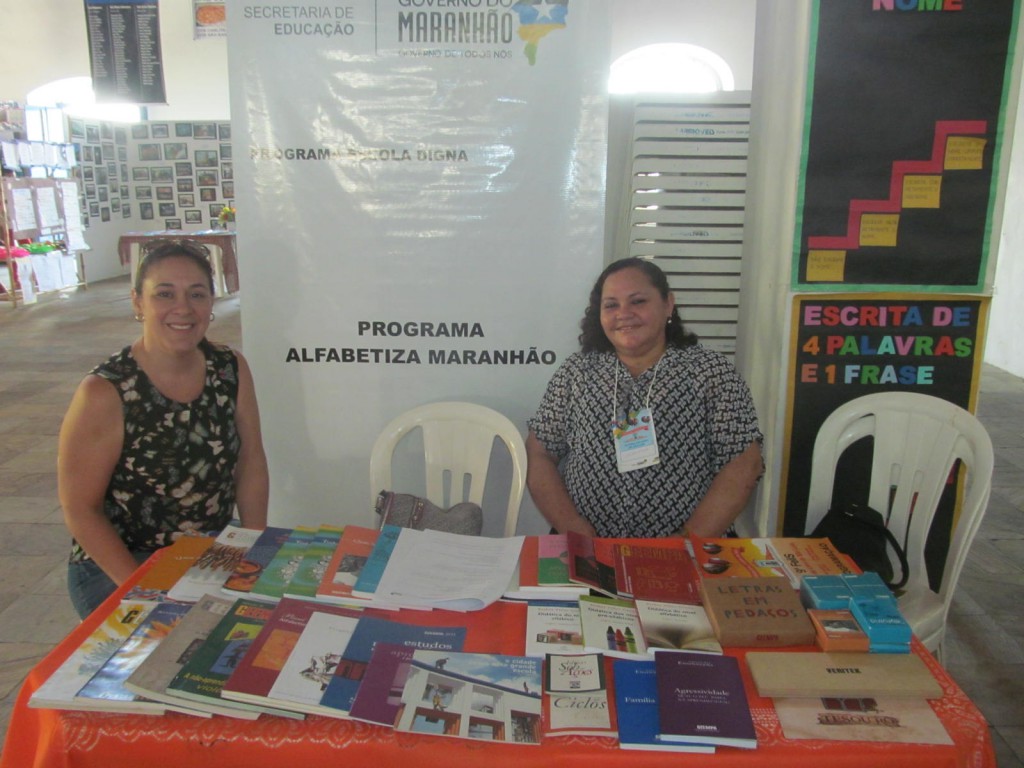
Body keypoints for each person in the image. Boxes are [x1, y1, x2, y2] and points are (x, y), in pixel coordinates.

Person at [58, 239, 269, 619]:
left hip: (207, 551)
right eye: (165, 294)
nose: (183, 308)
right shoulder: (105, 391)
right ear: (138, 302)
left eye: (197, 294)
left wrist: (254, 550)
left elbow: (251, 462)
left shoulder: (229, 368)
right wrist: (145, 592)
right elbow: (81, 510)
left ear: (211, 303)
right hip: (123, 562)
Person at [526, 257, 763, 540]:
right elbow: (539, 453)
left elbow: (744, 463)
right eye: (611, 305)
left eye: (637, 301)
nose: (623, 314)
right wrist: (572, 526)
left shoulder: (710, 372)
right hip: (587, 547)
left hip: (687, 548)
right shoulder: (576, 372)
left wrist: (687, 540)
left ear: (668, 304)